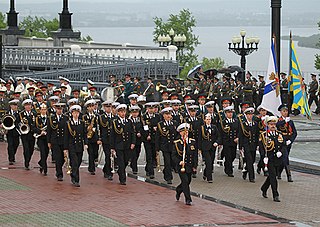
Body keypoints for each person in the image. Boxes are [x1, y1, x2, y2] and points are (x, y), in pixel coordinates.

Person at [260, 116, 285, 202]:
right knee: (273, 177)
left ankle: (264, 188)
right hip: (269, 159)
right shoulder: (264, 135)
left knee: (272, 176)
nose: (273, 126)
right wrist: (263, 158)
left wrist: (281, 152)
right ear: (268, 125)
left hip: (277, 159)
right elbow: (262, 148)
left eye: (274, 124)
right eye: (271, 124)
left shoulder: (279, 134)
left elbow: (283, 145)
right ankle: (275, 194)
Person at [110, 104, 136, 185]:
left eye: (124, 111)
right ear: (118, 113)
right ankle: (122, 179)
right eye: (121, 112)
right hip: (119, 145)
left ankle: (120, 171)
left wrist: (133, 142)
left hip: (127, 145)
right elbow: (112, 135)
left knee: (125, 161)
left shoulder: (129, 121)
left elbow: (132, 133)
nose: (123, 113)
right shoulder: (115, 122)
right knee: (121, 161)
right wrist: (112, 147)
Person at [64, 105, 88, 187]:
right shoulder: (68, 124)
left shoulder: (82, 123)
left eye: (77, 113)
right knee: (74, 162)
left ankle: (73, 173)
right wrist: (65, 148)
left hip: (79, 145)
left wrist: (86, 143)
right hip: (72, 146)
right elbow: (66, 137)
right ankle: (76, 179)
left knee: (78, 161)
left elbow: (85, 134)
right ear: (72, 114)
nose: (76, 114)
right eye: (74, 113)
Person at [173, 123, 197, 205]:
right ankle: (188, 199)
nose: (185, 134)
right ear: (180, 133)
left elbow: (194, 155)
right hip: (181, 166)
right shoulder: (177, 143)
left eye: (186, 132)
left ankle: (179, 190)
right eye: (183, 132)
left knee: (188, 181)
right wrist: (179, 161)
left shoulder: (192, 142)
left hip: (189, 165)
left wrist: (195, 166)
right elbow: (174, 155)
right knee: (185, 181)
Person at [155, 107, 177, 184]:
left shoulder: (174, 123)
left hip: (173, 146)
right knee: (167, 162)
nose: (168, 116)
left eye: (169, 114)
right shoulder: (160, 124)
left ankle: (166, 171)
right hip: (165, 146)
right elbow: (157, 137)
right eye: (166, 114)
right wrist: (157, 148)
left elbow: (177, 135)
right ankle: (168, 178)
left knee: (172, 162)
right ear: (163, 115)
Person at [276, 104, 297, 182]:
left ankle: (278, 173)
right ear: (281, 112)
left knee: (283, 158)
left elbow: (294, 132)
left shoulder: (290, 122)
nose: (285, 113)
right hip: (281, 142)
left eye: (286, 111)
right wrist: (284, 121)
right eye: (283, 111)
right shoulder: (279, 120)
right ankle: (289, 176)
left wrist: (290, 140)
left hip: (288, 142)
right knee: (285, 158)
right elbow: (277, 126)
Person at [47, 103, 68, 181]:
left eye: (61, 109)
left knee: (62, 158)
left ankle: (59, 169)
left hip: (63, 140)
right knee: (58, 158)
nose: (59, 110)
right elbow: (49, 131)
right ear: (55, 109)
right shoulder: (51, 118)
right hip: (55, 141)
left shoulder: (66, 118)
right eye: (58, 109)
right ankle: (59, 173)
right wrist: (48, 141)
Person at [238, 107, 260, 183]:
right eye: (248, 115)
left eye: (251, 114)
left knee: (252, 160)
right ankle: (252, 177)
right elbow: (240, 136)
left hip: (253, 145)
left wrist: (257, 144)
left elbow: (257, 135)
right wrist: (240, 147)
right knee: (249, 160)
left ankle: (245, 171)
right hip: (246, 145)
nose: (250, 116)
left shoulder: (255, 124)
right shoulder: (243, 124)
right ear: (246, 115)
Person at [198, 113, 220, 183]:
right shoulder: (202, 128)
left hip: (212, 147)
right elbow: (199, 139)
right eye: (207, 119)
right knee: (208, 162)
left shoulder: (214, 127)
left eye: (209, 119)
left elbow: (218, 136)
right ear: (204, 120)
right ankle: (209, 178)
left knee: (211, 162)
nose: (208, 121)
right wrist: (199, 149)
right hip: (205, 148)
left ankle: (205, 173)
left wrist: (217, 142)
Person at [218, 106, 239, 177]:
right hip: (226, 141)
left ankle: (227, 164)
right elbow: (220, 132)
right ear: (226, 114)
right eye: (228, 113)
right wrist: (220, 142)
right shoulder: (223, 122)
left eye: (231, 113)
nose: (230, 114)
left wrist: (238, 138)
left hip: (234, 141)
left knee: (233, 155)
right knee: (228, 156)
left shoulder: (236, 121)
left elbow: (239, 131)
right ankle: (229, 171)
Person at [83, 99, 100, 175]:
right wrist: (88, 128)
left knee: (95, 153)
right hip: (88, 137)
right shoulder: (84, 116)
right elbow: (84, 126)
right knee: (91, 153)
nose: (91, 108)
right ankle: (91, 168)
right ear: (87, 108)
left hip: (95, 137)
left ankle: (93, 163)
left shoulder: (96, 116)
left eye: (92, 106)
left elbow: (99, 126)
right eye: (90, 107)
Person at [18, 99, 36, 170]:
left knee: (31, 149)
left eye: (29, 105)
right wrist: (20, 126)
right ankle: (26, 162)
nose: (28, 107)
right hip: (24, 134)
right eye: (26, 105)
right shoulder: (21, 114)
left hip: (32, 134)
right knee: (26, 149)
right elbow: (17, 123)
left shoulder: (34, 114)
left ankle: (28, 159)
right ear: (24, 106)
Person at [99, 100, 115, 180]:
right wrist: (99, 138)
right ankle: (108, 172)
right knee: (108, 156)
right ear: (104, 108)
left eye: (110, 107)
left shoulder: (114, 117)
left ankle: (106, 168)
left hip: (113, 140)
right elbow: (100, 128)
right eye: (107, 107)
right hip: (106, 139)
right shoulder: (102, 117)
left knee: (112, 156)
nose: (109, 109)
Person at [32, 103, 49, 176]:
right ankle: (45, 169)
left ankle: (41, 162)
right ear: (40, 110)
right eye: (42, 109)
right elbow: (34, 128)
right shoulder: (37, 119)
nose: (43, 111)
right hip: (40, 139)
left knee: (47, 153)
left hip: (47, 139)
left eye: (45, 109)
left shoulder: (49, 119)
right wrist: (40, 132)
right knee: (43, 152)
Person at [5, 100, 21, 165]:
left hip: (16, 131)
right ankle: (11, 158)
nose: (15, 107)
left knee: (16, 144)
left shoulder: (19, 113)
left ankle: (13, 154)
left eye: (16, 105)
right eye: (14, 105)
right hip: (9, 131)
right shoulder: (7, 113)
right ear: (11, 106)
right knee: (10, 145)